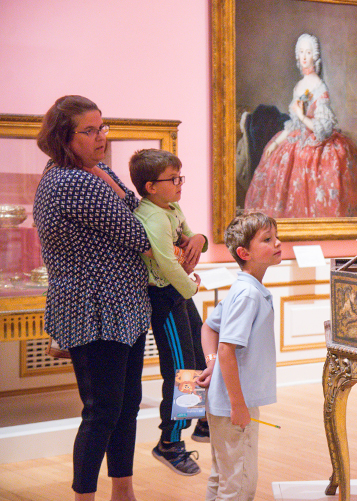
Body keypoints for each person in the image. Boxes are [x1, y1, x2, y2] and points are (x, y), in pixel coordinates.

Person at [33, 95, 151, 501]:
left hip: (124, 308)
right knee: (102, 411)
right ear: (64, 138)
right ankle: (84, 497)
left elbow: (142, 207)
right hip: (94, 310)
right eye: (89, 130)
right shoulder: (73, 181)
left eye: (103, 127)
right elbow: (141, 234)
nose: (101, 137)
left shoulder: (96, 171)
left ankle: (124, 491)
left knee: (127, 405)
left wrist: (193, 238)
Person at [128, 148, 210, 476]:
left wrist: (200, 238)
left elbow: (193, 240)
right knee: (181, 372)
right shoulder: (152, 217)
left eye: (180, 177)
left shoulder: (171, 207)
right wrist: (191, 286)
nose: (180, 184)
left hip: (178, 292)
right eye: (172, 179)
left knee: (201, 358)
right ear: (150, 186)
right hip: (164, 296)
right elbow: (166, 263)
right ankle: (170, 442)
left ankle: (204, 422)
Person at [196, 211, 282, 500]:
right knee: (240, 483)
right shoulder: (247, 295)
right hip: (234, 403)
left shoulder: (243, 289)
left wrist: (211, 366)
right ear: (244, 252)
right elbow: (226, 348)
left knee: (223, 475)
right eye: (268, 239)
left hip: (227, 401)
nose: (278, 243)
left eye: (276, 236)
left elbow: (208, 327)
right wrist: (238, 405)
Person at [244, 33, 357, 218]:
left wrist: (302, 116)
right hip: (297, 137)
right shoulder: (299, 86)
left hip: (317, 143)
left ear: (314, 56)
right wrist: (277, 144)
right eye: (301, 52)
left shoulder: (319, 87)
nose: (303, 56)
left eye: (308, 52)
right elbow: (294, 124)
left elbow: (322, 129)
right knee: (274, 158)